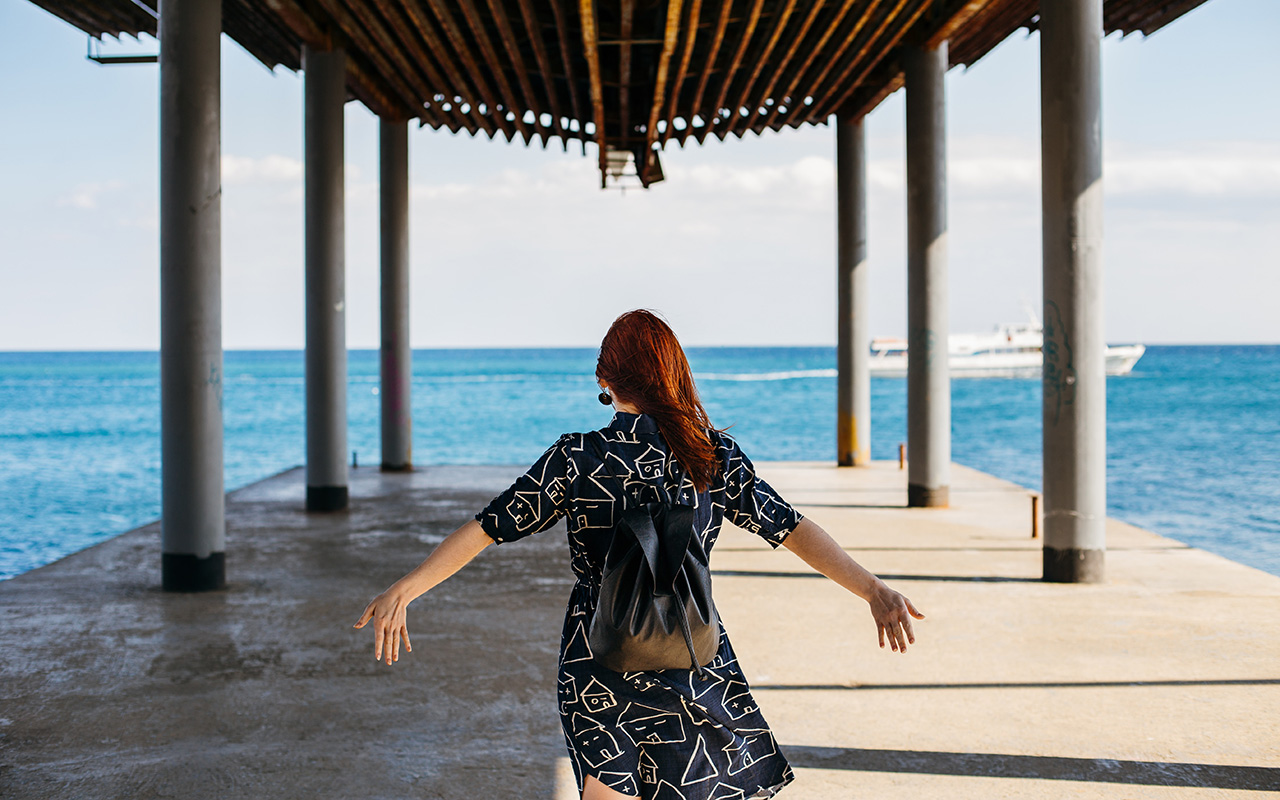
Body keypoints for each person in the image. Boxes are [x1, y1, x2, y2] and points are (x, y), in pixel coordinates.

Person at [355, 309, 924, 800]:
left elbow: (488, 528)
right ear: (673, 373)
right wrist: (872, 589)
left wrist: (406, 588)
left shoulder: (578, 458)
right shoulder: (711, 456)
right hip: (689, 644)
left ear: (605, 379)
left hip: (598, 650)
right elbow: (791, 528)